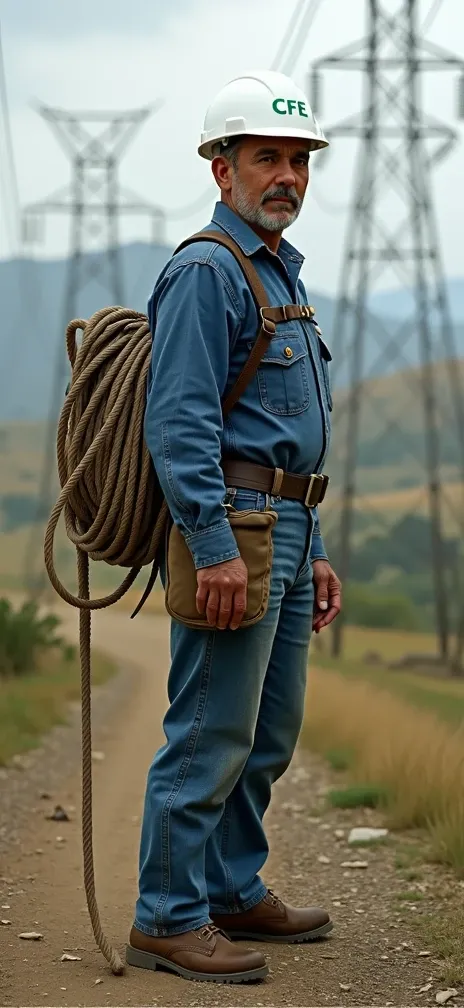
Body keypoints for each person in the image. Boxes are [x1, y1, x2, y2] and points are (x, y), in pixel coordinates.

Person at [126, 68, 341, 985]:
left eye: (297, 159)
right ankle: (167, 916)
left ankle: (228, 886)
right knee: (212, 728)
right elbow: (179, 426)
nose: (286, 175)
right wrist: (212, 546)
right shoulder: (207, 271)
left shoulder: (277, 273)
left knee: (271, 730)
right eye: (266, 158)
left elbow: (286, 426)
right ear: (222, 169)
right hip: (236, 532)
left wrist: (317, 548)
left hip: (289, 530)